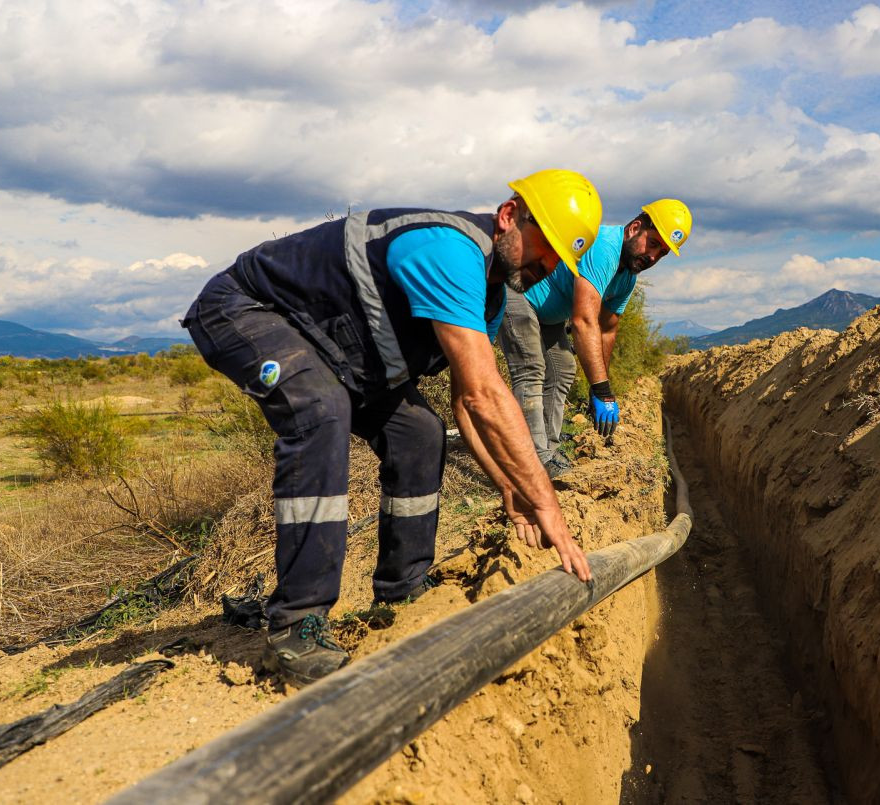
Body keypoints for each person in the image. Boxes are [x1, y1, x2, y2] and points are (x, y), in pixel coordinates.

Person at [181, 169, 601, 686]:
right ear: (510, 216)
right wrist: (547, 503)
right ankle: (296, 623)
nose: (549, 264)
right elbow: (485, 394)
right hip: (245, 310)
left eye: (563, 258)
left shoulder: (490, 296)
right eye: (547, 245)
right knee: (320, 411)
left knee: (420, 432)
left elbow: (465, 406)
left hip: (334, 350)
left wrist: (510, 488)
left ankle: (402, 595)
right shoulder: (449, 250)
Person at [499, 199, 692, 477]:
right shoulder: (605, 248)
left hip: (547, 315)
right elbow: (583, 321)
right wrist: (603, 391)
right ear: (635, 228)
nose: (653, 257)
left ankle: (548, 448)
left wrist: (600, 384)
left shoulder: (627, 278)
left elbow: (607, 329)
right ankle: (534, 460)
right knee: (531, 369)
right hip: (519, 295)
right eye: (652, 244)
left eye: (661, 253)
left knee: (563, 368)